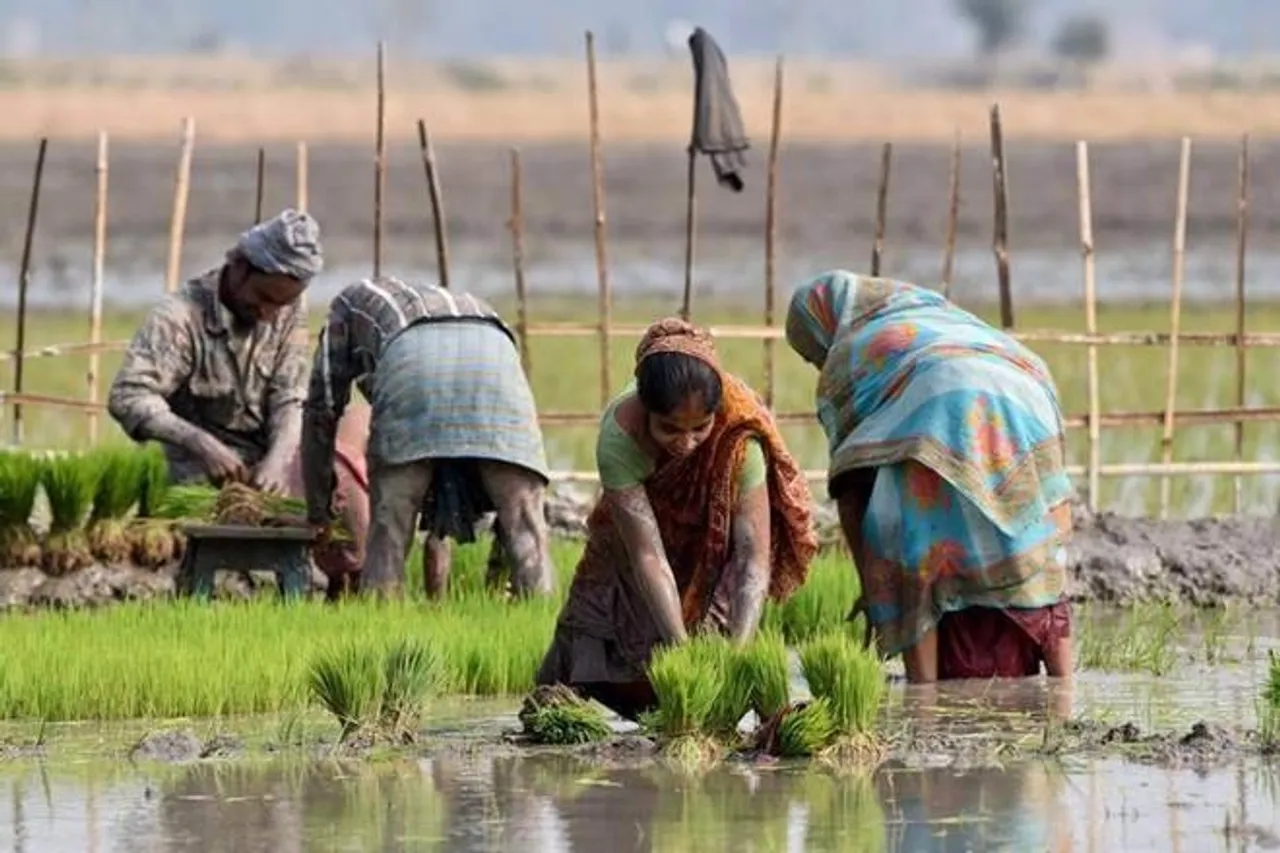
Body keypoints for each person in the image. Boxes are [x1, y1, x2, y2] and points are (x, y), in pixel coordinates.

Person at [783, 270, 1075, 684]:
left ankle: (925, 699)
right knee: (1038, 545)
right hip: (1025, 400)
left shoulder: (848, 355)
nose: (818, 362)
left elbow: (851, 481)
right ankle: (1065, 687)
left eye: (813, 353)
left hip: (937, 418)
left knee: (912, 550)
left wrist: (874, 586)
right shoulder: (941, 316)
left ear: (821, 330)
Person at [536, 318, 818, 720]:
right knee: (600, 622)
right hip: (636, 543)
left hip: (713, 546)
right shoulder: (621, 436)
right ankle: (560, 711)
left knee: (721, 642)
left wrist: (739, 654)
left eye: (700, 429)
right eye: (669, 429)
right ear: (645, 411)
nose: (686, 444)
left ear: (715, 415)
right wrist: (679, 651)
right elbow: (647, 557)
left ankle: (717, 714)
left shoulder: (738, 438)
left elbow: (753, 559)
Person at [301, 276, 555, 599]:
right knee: (525, 527)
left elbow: (320, 410)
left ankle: (380, 628)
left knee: (390, 531)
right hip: (497, 365)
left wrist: (318, 508)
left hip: (413, 367)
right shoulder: (465, 302)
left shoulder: (346, 307)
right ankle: (543, 626)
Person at [107, 209, 322, 490]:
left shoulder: (287, 309)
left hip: (268, 476)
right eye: (263, 298)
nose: (268, 314)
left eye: (279, 305)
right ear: (240, 268)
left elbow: (290, 395)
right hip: (196, 476)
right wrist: (201, 444)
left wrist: (278, 461)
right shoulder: (180, 317)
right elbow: (129, 395)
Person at [283, 401, 371, 601]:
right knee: (359, 562)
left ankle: (334, 604)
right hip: (341, 468)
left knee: (330, 554)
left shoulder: (343, 409)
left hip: (306, 464)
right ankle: (359, 610)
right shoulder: (371, 412)